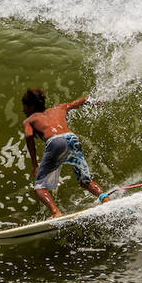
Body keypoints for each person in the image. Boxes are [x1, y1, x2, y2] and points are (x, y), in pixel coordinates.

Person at [21, 87, 109, 218]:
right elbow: (79, 102)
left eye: (25, 106)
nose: (23, 110)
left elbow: (29, 137)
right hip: (73, 138)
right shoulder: (60, 108)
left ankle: (56, 212)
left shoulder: (29, 120)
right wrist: (97, 100)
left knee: (40, 187)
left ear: (31, 106)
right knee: (85, 180)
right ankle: (105, 199)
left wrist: (34, 164)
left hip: (56, 142)